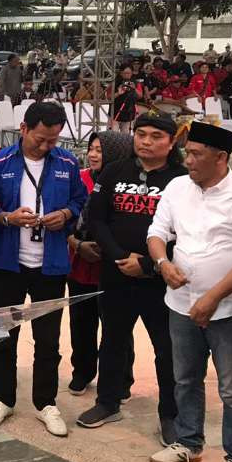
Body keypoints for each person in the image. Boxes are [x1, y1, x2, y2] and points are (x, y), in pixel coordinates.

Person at [146, 121, 232, 462]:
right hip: (179, 304)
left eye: (197, 154)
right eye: (188, 151)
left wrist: (213, 297)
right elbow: (157, 231)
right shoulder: (177, 187)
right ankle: (188, 442)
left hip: (226, 309)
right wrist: (162, 264)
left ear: (222, 158)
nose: (188, 160)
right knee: (185, 378)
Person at [77, 115, 184, 440]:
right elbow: (98, 219)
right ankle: (108, 402)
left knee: (166, 349)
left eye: (155, 136)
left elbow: (187, 233)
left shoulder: (181, 180)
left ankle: (170, 414)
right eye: (141, 134)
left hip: (161, 279)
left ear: (171, 141)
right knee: (112, 340)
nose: (146, 141)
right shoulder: (114, 171)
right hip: (116, 274)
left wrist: (150, 266)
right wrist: (119, 256)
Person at [0, 101, 87, 436]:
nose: (45, 146)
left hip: (51, 266)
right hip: (9, 264)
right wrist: (6, 218)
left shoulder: (67, 162)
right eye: (40, 139)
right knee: (4, 335)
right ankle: (3, 397)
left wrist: (67, 216)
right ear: (24, 129)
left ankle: (46, 402)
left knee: (48, 340)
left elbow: (79, 200)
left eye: (53, 141)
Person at [65, 130, 133, 397]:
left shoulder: (125, 183)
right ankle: (81, 372)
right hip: (81, 264)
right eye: (91, 148)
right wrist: (75, 243)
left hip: (114, 265)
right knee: (81, 322)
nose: (93, 155)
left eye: (100, 150)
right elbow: (67, 217)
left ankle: (121, 379)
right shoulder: (79, 179)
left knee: (117, 327)